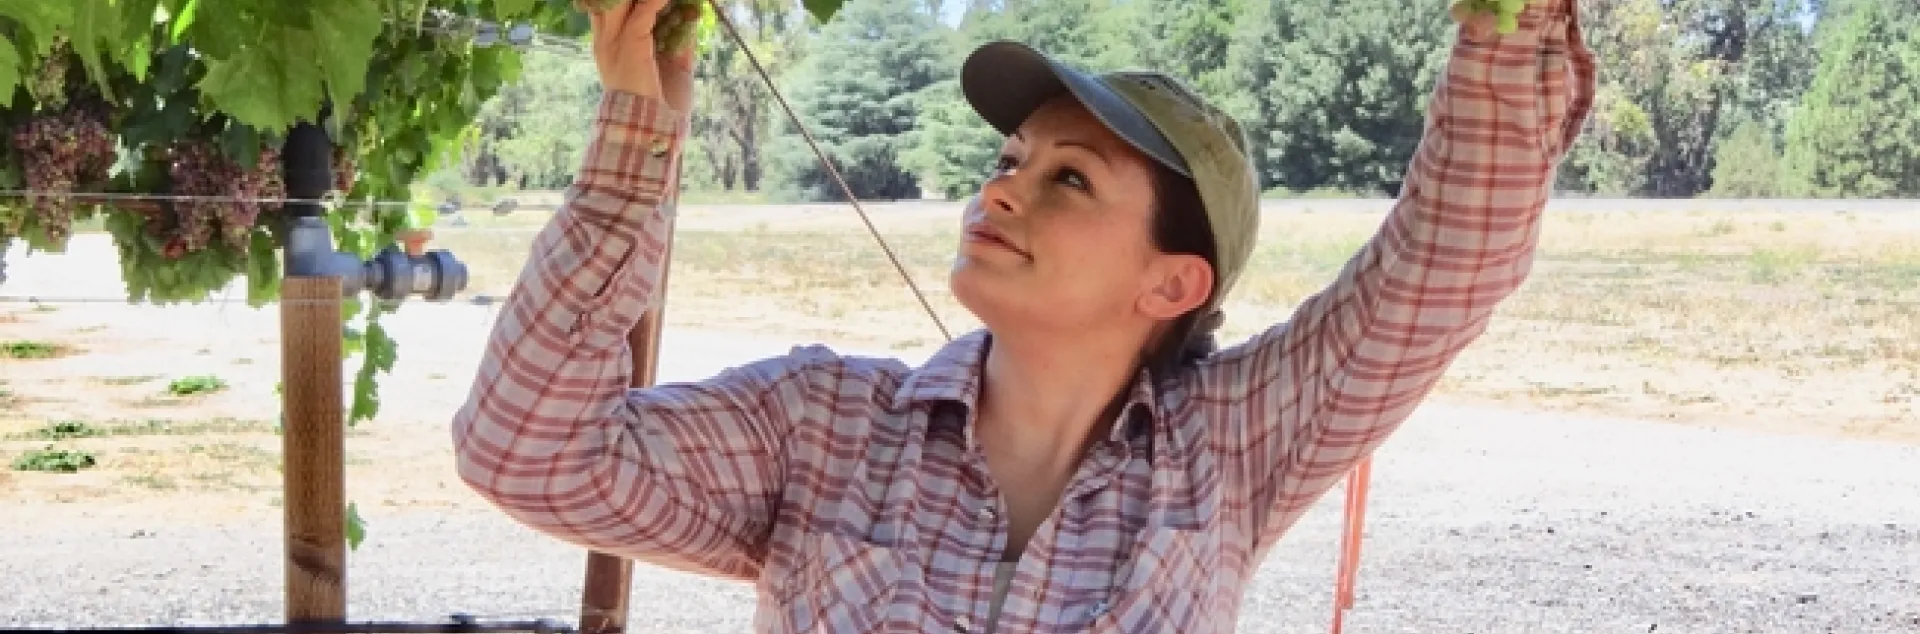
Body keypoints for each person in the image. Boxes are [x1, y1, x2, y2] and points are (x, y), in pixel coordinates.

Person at [451, 0, 1595, 631]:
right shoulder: (819, 422)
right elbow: (524, 450)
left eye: (1070, 178)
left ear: (1172, 285)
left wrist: (1508, 27)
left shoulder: (1232, 448)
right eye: (1009, 159)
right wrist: (637, 122)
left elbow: (1448, 262)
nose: (998, 191)